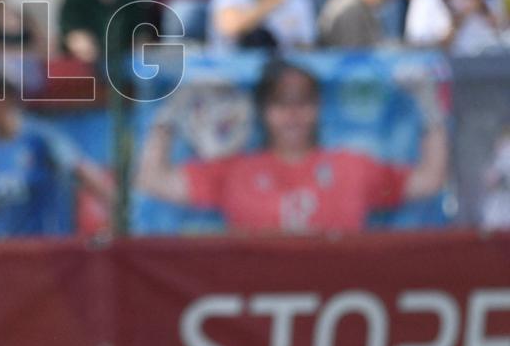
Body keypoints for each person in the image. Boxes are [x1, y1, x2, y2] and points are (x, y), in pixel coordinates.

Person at [136, 59, 449, 233]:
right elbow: (153, 180)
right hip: (258, 318)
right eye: (280, 103)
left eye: (303, 102)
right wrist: (170, 113)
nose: (292, 114)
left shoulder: (352, 167)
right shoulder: (236, 171)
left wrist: (429, 108)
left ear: (318, 107)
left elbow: (430, 180)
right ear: (263, 111)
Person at [0, 74, 114, 241]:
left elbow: (82, 169)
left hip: (49, 249)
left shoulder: (41, 137)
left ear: (8, 99)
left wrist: (116, 210)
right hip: (4, 251)